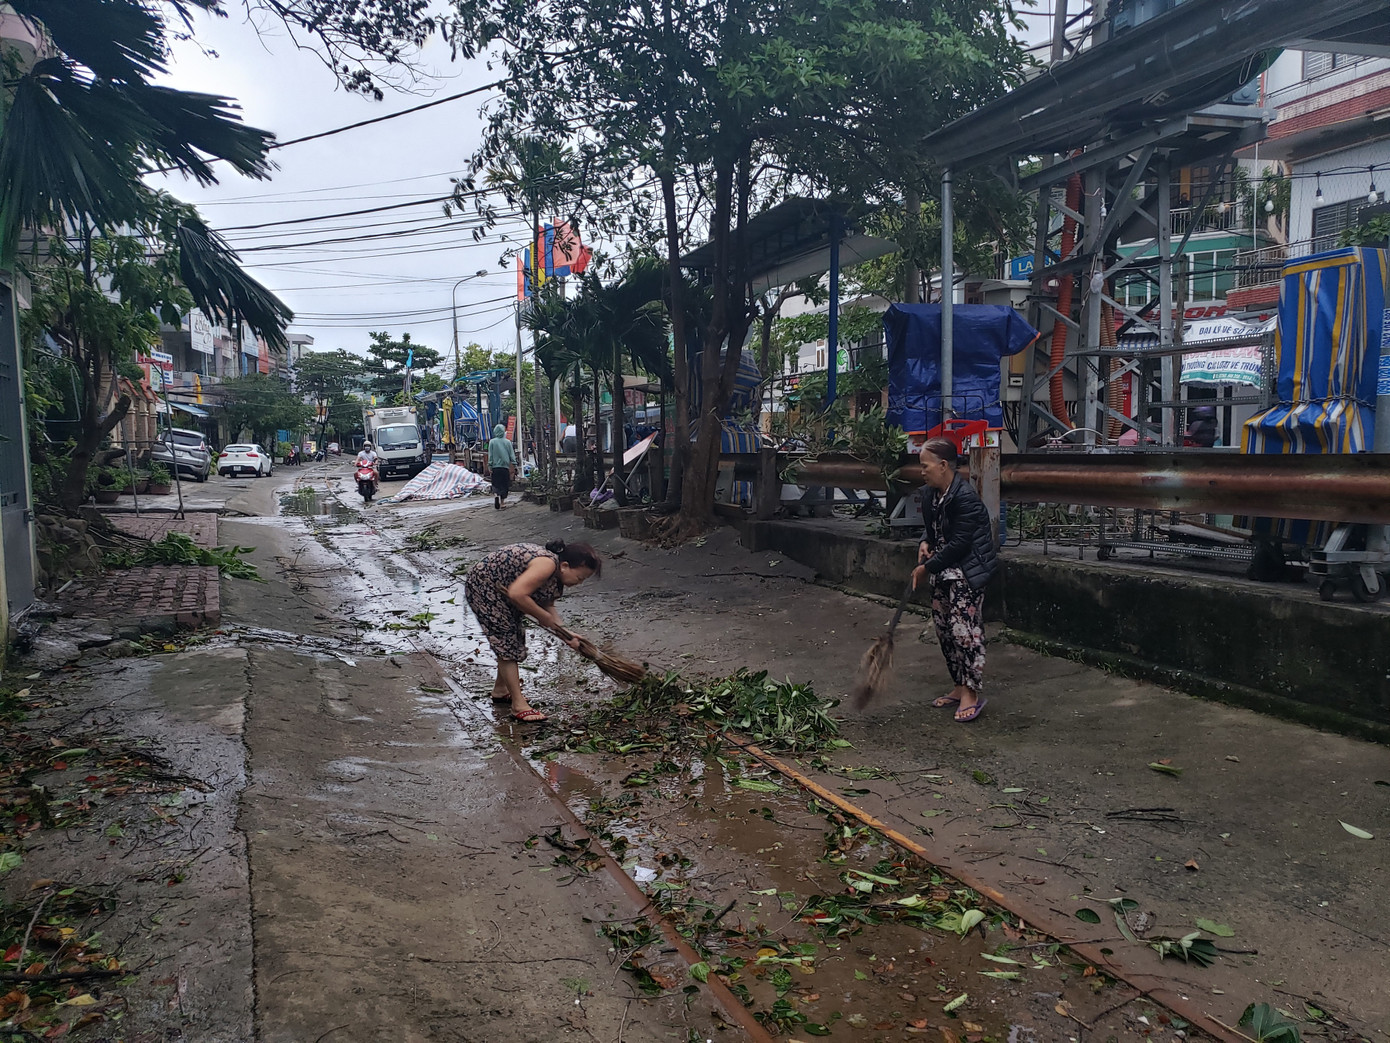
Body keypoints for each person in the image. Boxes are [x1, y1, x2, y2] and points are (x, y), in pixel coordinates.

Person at [464, 539, 602, 722]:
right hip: (485, 587)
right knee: (507, 643)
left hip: (503, 589)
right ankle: (518, 705)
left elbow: (547, 605)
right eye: (580, 578)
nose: (580, 583)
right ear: (565, 566)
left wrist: (566, 635)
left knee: (514, 639)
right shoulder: (546, 564)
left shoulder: (556, 577)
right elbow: (517, 594)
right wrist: (541, 616)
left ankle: (501, 690)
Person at [911, 437, 998, 723]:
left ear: (943, 465)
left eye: (926, 466)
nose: (922, 471)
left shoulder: (966, 499)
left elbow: (960, 543)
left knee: (965, 631)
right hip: (944, 572)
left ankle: (972, 692)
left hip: (966, 572)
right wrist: (926, 541)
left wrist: (927, 567)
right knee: (944, 630)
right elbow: (935, 530)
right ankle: (959, 685)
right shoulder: (930, 494)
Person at [487, 424, 517, 509]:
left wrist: (490, 465)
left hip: (495, 467)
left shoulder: (492, 442)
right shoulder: (507, 442)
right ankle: (502, 503)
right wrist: (514, 464)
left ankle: (496, 495)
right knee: (504, 485)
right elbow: (511, 455)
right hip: (505, 467)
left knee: (496, 484)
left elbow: (491, 455)